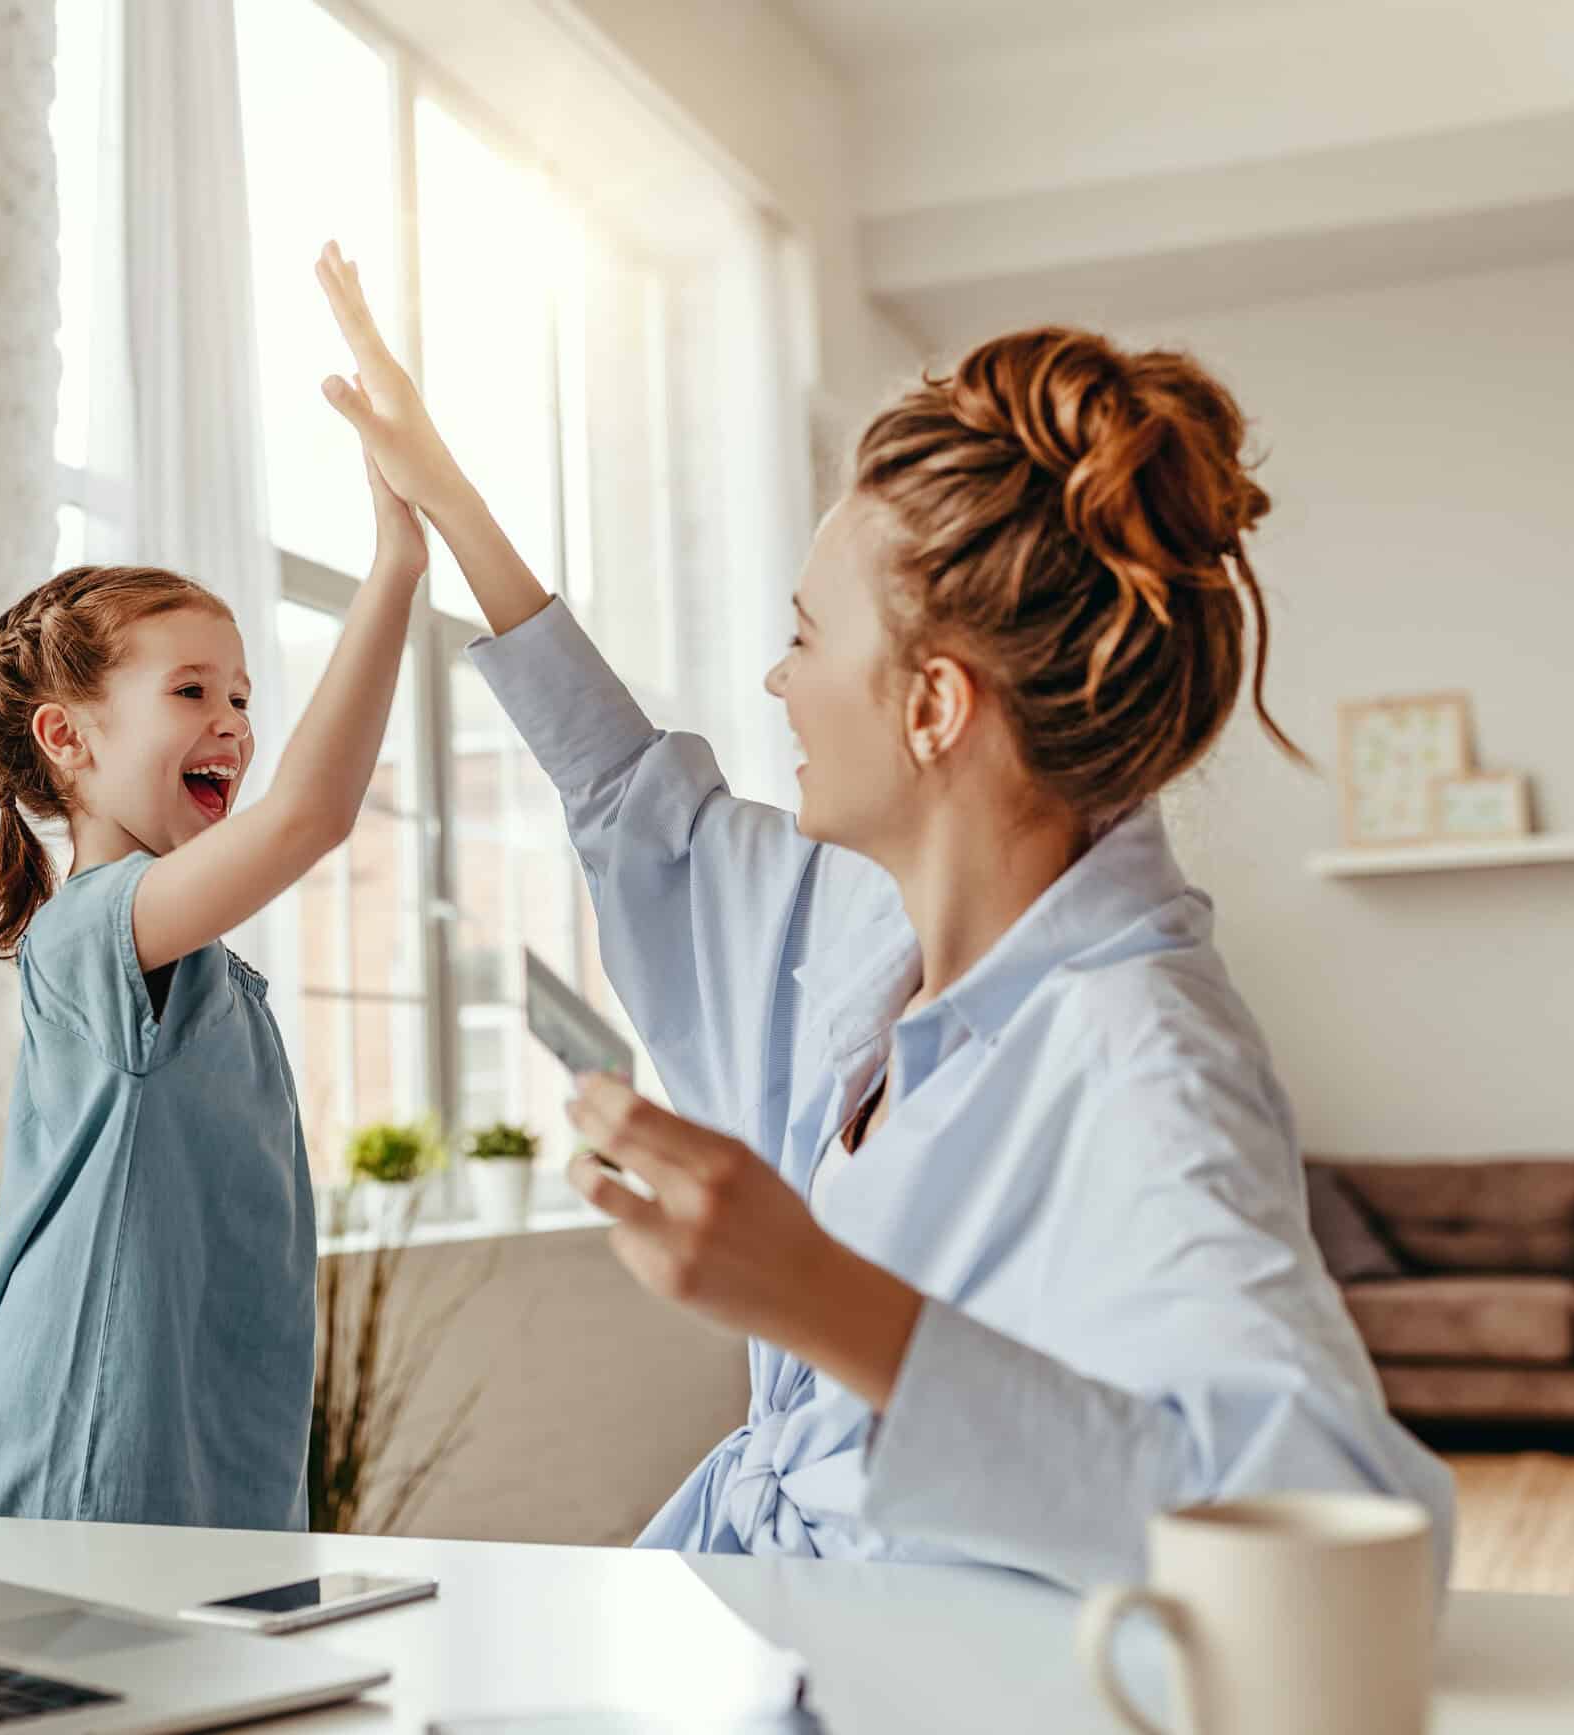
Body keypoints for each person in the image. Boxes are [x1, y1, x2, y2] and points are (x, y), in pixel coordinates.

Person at [312, 244, 1454, 1590]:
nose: (776, 680)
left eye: (805, 634)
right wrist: (453, 504)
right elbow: (634, 798)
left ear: (932, 704)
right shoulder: (860, 922)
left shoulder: (1144, 1057)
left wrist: (815, 1291)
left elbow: (1332, 1524)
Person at [0, 315, 428, 1529]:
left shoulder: (202, 967)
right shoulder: (92, 934)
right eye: (191, 691)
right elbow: (311, 813)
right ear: (70, 736)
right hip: (79, 1467)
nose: (236, 722)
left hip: (200, 1480)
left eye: (244, 694)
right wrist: (396, 563)